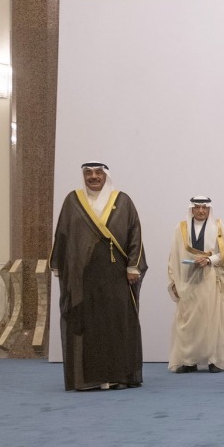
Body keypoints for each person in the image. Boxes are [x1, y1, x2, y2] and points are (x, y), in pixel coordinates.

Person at [50, 162, 147, 391]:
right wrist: (59, 264)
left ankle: (120, 377)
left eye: (98, 173)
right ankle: (91, 378)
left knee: (117, 324)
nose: (93, 177)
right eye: (88, 173)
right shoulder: (73, 200)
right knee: (89, 324)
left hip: (117, 274)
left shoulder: (122, 201)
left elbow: (135, 234)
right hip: (84, 276)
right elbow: (62, 234)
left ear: (106, 176)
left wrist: (133, 267)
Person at [167, 195, 224, 373]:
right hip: (186, 280)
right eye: (197, 207)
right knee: (188, 321)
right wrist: (173, 281)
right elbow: (173, 256)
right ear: (192, 209)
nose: (201, 211)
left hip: (209, 279)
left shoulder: (218, 226)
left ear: (209, 209)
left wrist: (209, 260)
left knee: (211, 320)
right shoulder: (181, 228)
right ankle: (188, 360)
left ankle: (214, 360)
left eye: (204, 207)